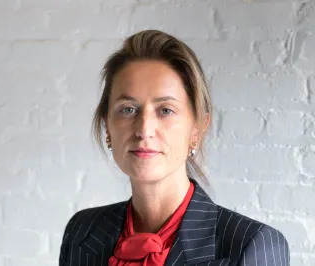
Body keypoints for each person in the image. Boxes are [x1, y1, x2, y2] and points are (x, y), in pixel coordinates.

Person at [59, 30, 290, 266]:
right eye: (128, 109)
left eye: (165, 110)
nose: (144, 129)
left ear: (197, 129)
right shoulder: (81, 231)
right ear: (107, 125)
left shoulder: (251, 244)